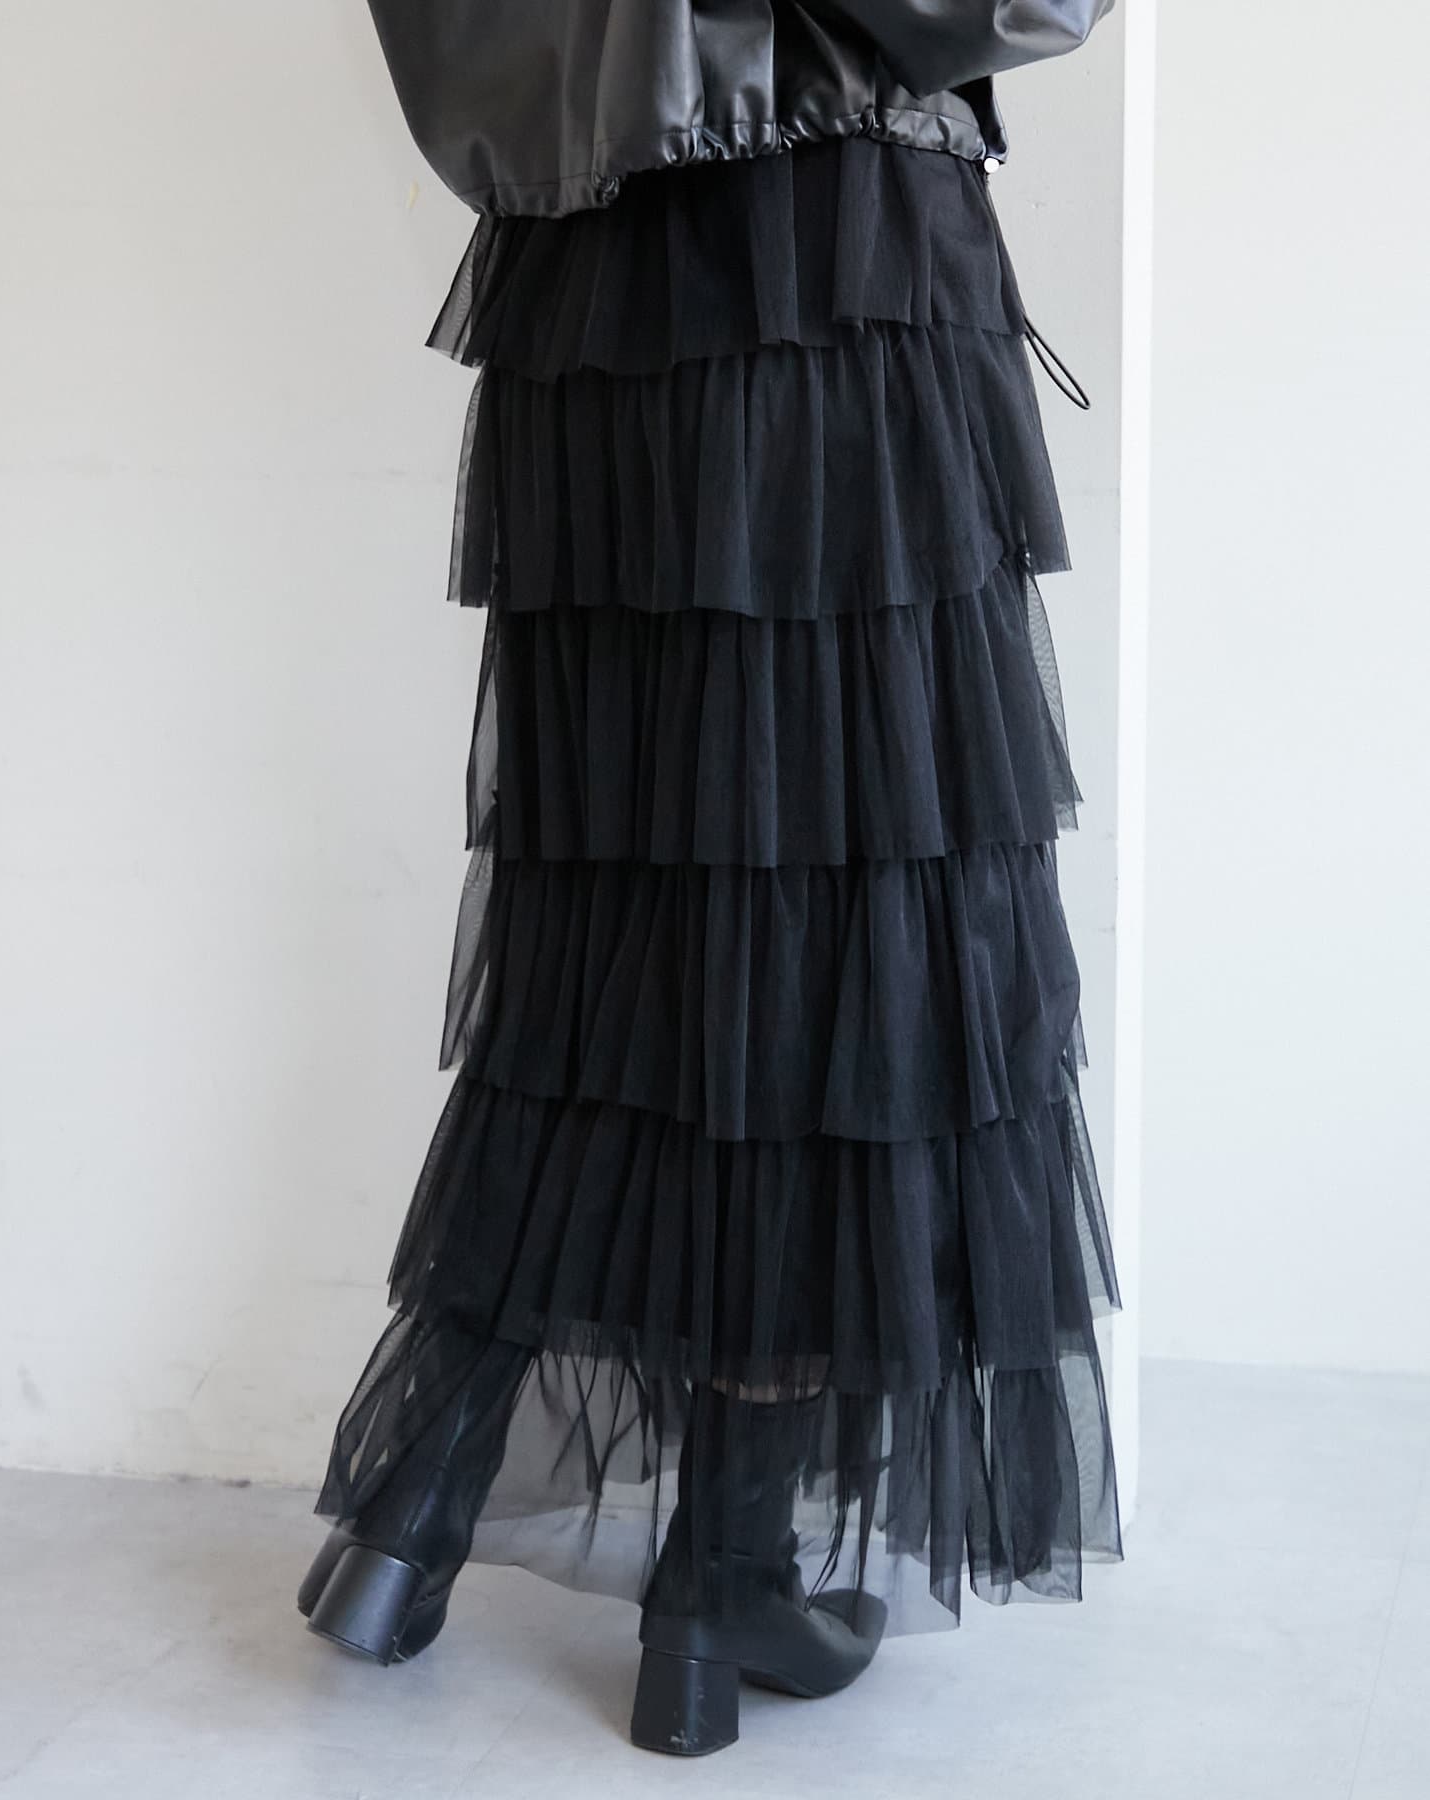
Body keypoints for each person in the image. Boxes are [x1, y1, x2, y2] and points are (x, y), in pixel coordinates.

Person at [299, 0, 1123, 1757]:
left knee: (610, 935)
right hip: (825, 274)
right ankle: (723, 1579)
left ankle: (410, 1513)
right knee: (834, 953)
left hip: (588, 308)